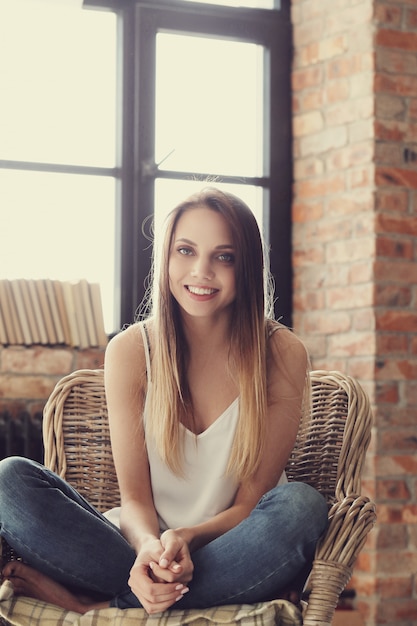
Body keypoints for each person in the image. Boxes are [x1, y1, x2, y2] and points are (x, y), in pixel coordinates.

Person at [0, 187, 328, 615]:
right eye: (186, 251)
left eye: (223, 256)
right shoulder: (132, 351)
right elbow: (135, 500)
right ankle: (153, 590)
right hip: (135, 547)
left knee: (303, 507)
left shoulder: (282, 354)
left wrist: (188, 538)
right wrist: (150, 549)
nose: (201, 271)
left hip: (234, 543)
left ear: (246, 265)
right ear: (166, 259)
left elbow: (250, 503)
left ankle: (99, 606)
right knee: (10, 478)